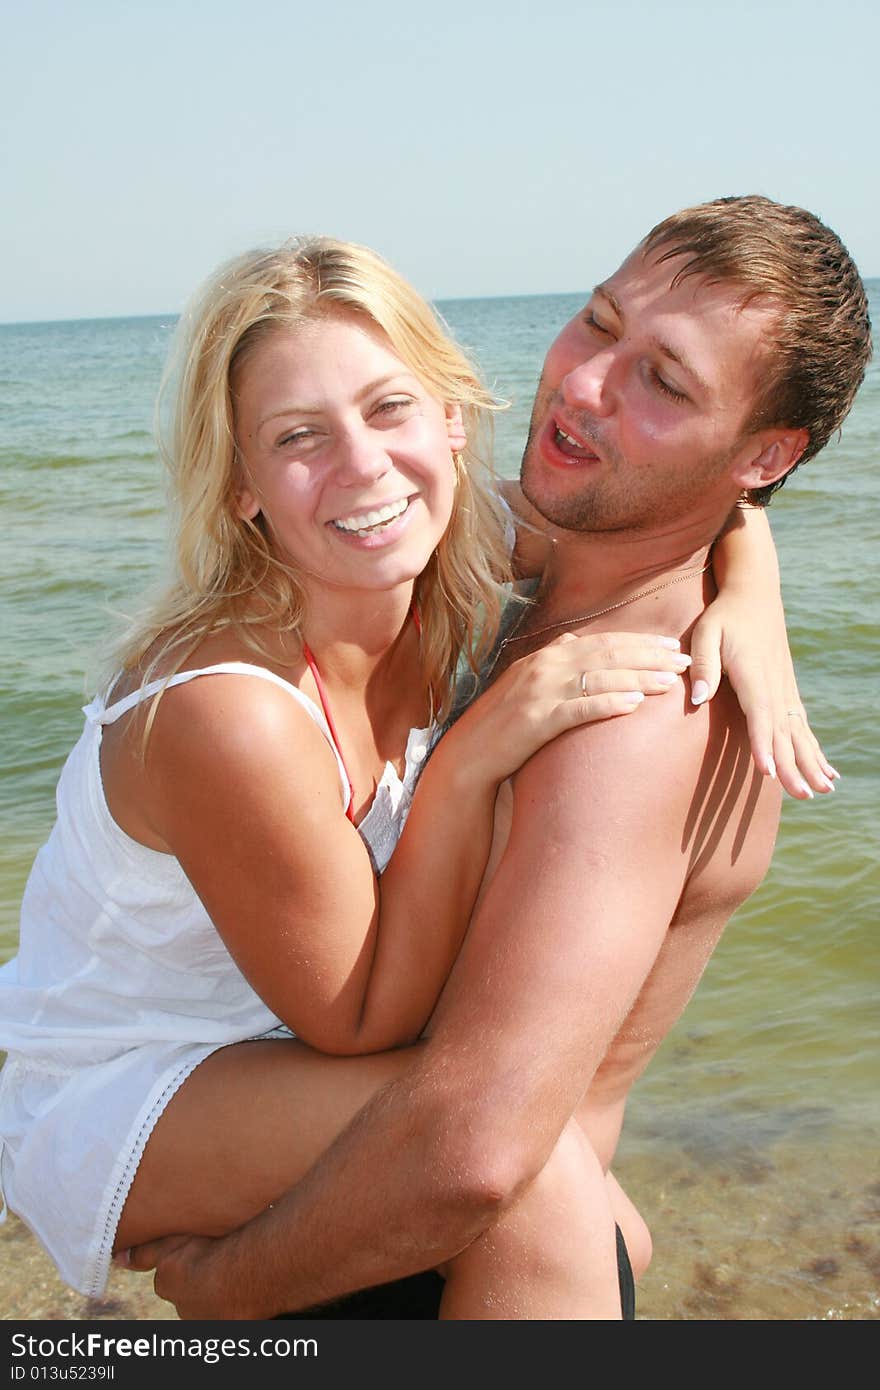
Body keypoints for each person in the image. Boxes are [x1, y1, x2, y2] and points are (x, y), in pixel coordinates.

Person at [0, 225, 835, 1319]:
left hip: (275, 1051)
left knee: (553, 1187)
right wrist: (474, 759)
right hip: (132, 1077)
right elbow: (369, 1029)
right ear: (241, 482)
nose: (362, 467)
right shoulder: (229, 713)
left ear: (449, 417)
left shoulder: (452, 542)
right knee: (526, 1168)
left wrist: (750, 582)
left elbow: (668, 511)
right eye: (298, 435)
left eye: (390, 409)